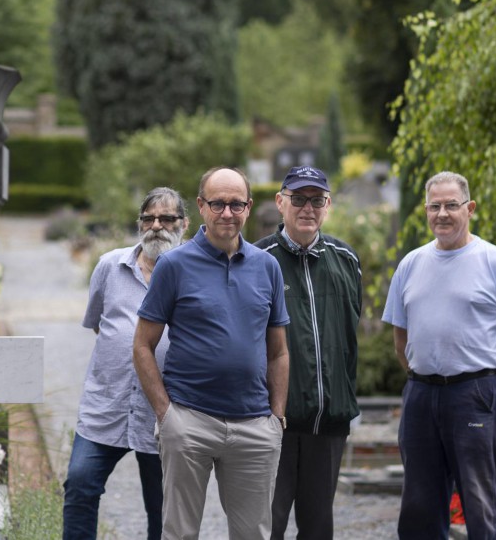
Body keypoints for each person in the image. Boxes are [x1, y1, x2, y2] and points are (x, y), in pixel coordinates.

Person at [133, 167, 290, 540]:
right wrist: (166, 414)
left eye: (236, 204)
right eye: (217, 203)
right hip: (189, 421)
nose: (227, 213)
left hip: (254, 425)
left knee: (253, 534)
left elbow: (279, 352)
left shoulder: (267, 267)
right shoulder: (174, 265)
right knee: (180, 533)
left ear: (249, 208)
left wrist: (277, 418)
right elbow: (142, 345)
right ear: (201, 207)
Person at [381, 171, 496, 540]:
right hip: (421, 396)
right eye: (435, 206)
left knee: (479, 503)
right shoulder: (410, 265)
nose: (443, 214)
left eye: (452, 205)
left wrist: (494, 388)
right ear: (425, 211)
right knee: (419, 505)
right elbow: (400, 339)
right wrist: (425, 375)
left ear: (470, 208)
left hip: (475, 393)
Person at [63, 187, 191, 540]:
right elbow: (98, 325)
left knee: (163, 510)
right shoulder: (109, 266)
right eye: (148, 218)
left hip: (165, 414)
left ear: (184, 224)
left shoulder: (193, 274)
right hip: (106, 407)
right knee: (79, 487)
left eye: (166, 219)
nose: (156, 226)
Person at [254, 165, 361, 540]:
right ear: (280, 203)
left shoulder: (346, 260)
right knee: (266, 526)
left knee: (318, 529)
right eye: (298, 199)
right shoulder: (257, 260)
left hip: (329, 422)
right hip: (272, 423)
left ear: (327, 205)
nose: (307, 208)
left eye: (316, 200)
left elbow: (350, 337)